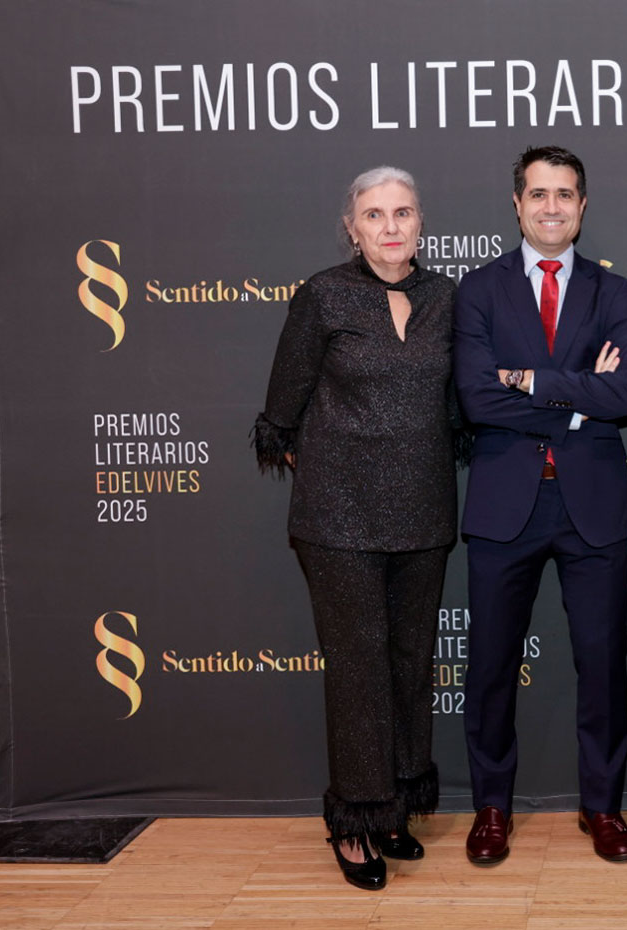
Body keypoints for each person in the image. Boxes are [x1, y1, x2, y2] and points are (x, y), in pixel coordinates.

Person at [253, 166, 459, 891]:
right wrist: (338, 467)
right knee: (359, 668)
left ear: (421, 222)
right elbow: (281, 410)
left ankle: (395, 804)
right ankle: (353, 823)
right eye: (374, 215)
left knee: (409, 662)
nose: (390, 226)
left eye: (403, 211)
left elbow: (460, 408)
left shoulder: (445, 299)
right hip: (338, 520)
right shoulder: (323, 296)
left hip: (425, 516)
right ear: (352, 228)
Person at [453, 145, 627, 865]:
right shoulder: (478, 291)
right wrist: (572, 400)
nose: (552, 206)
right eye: (539, 194)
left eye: (565, 194)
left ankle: (604, 807)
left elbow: (624, 397)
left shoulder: (612, 292)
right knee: (492, 666)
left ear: (583, 205)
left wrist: (527, 381)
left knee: (601, 665)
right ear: (518, 203)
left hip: (593, 507)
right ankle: (492, 808)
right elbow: (477, 398)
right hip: (506, 506)